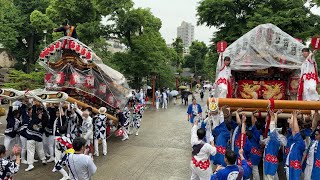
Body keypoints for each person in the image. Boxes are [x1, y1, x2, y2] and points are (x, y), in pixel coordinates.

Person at [261, 110, 287, 180]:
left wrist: (272, 117)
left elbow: (272, 128)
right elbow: (273, 128)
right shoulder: (276, 139)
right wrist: (275, 115)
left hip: (270, 164)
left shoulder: (275, 139)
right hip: (269, 162)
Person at [25, 101, 48, 172]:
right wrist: (42, 106)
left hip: (31, 137)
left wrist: (35, 103)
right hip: (38, 138)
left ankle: (30, 165)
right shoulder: (45, 120)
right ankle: (43, 160)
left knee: (30, 151)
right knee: (40, 149)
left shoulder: (35, 117)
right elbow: (45, 113)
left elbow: (34, 108)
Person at [285, 111, 305, 180]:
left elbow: (296, 131)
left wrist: (295, 117)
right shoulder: (295, 143)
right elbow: (293, 130)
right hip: (290, 167)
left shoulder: (300, 143)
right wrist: (293, 116)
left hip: (294, 169)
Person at [303, 110, 320, 180]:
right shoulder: (313, 141)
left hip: (316, 169)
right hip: (309, 166)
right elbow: (313, 128)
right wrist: (315, 112)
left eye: (317, 134)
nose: (315, 135)